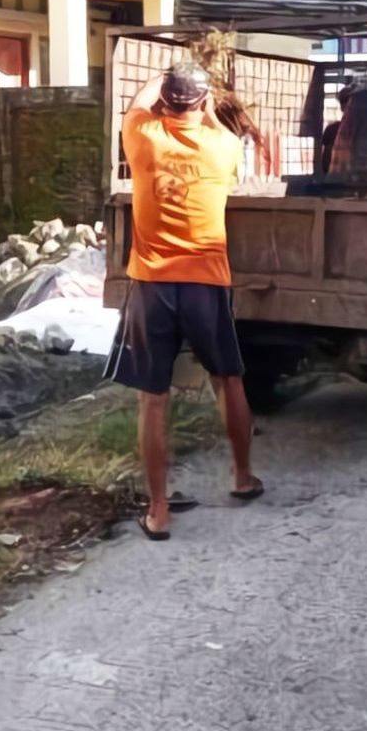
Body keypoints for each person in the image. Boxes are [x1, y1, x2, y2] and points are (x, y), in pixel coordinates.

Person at [105, 62, 263, 542]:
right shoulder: (224, 147)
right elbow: (213, 120)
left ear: (166, 101)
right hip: (205, 282)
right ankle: (241, 477)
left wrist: (162, 78)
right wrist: (207, 101)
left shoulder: (144, 137)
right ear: (201, 104)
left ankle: (158, 510)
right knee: (228, 379)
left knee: (153, 398)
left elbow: (137, 102)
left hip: (153, 285)